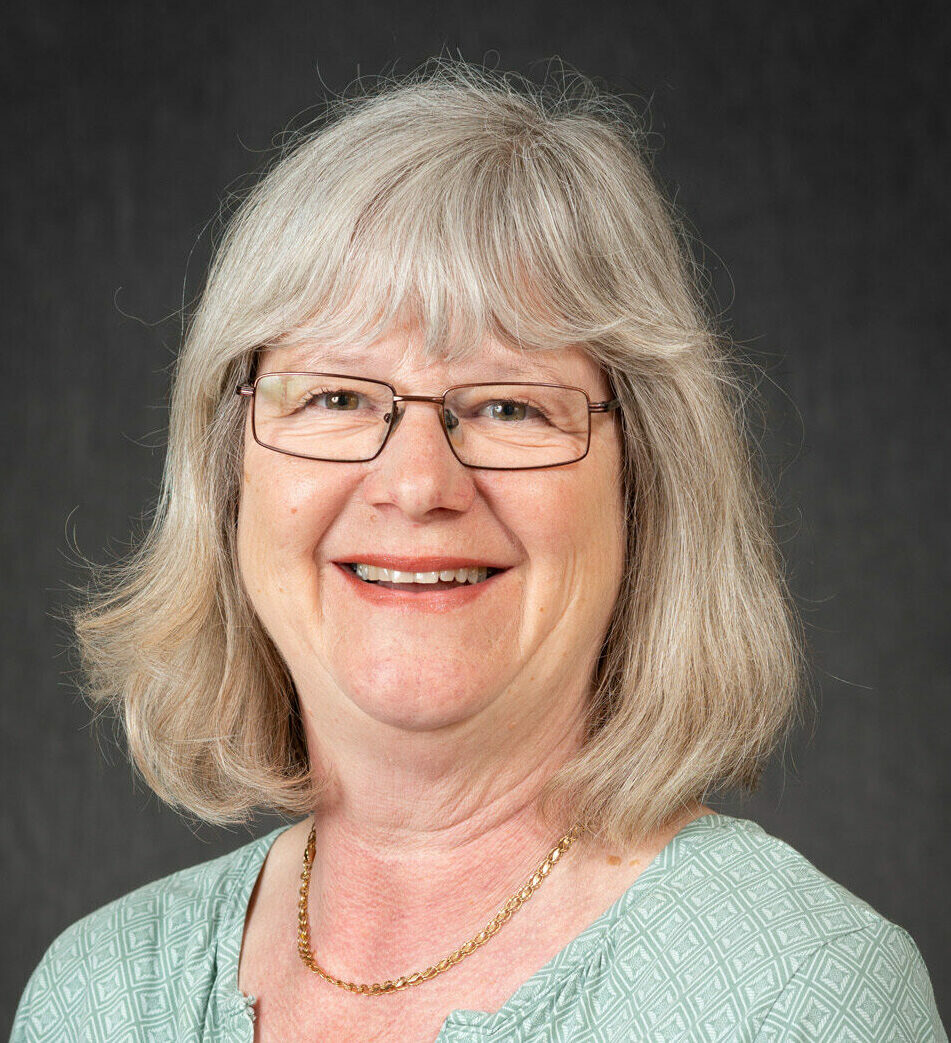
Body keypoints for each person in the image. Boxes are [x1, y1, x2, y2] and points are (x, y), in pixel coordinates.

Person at [11, 60, 946, 1042]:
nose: (417, 484)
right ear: (229, 475)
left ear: (642, 484)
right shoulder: (97, 999)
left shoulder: (792, 994)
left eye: (508, 407)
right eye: (335, 395)